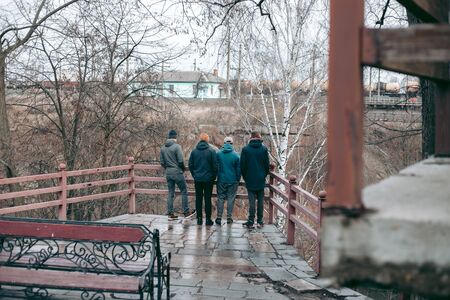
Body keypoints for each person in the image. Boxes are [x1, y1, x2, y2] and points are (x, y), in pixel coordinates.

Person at [160, 130, 194, 220]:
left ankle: (170, 214)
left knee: (171, 193)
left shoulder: (163, 148)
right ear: (175, 137)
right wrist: (182, 169)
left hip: (168, 173)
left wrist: (168, 168)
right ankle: (186, 212)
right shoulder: (177, 147)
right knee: (184, 191)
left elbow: (162, 162)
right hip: (177, 172)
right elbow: (180, 161)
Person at [240, 131, 270, 228]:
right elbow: (266, 165)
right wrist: (264, 175)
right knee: (260, 200)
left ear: (251, 138)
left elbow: (242, 166)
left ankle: (251, 220)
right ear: (259, 137)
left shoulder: (245, 149)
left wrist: (245, 176)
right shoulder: (264, 149)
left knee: (251, 200)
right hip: (260, 178)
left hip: (250, 178)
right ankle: (260, 221)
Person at [189, 133, 218, 226]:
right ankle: (208, 219)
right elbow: (215, 166)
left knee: (198, 198)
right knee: (207, 199)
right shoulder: (212, 151)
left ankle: (199, 219)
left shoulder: (194, 151)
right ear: (207, 140)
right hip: (208, 179)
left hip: (198, 179)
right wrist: (213, 177)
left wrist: (195, 175)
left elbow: (190, 165)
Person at [216, 136, 240, 225]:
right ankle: (229, 217)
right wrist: (237, 178)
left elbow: (216, 166)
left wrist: (217, 175)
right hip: (232, 180)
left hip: (221, 179)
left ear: (224, 143)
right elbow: (238, 170)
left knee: (220, 198)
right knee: (231, 198)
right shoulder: (236, 155)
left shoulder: (218, 154)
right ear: (232, 144)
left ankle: (219, 217)